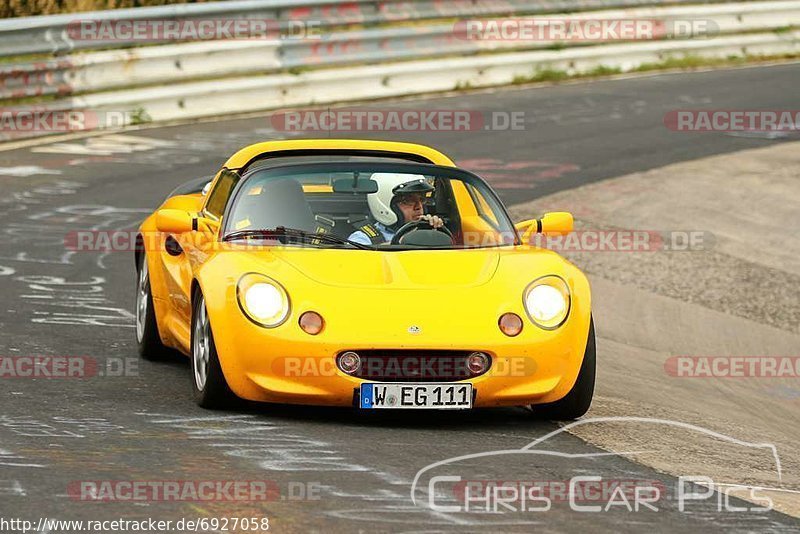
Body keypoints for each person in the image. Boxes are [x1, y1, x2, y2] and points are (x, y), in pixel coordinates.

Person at [348, 173, 444, 245]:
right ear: (386, 205)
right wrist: (406, 241)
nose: (419, 207)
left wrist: (435, 234)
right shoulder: (362, 238)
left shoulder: (429, 232)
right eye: (408, 200)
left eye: (421, 199)